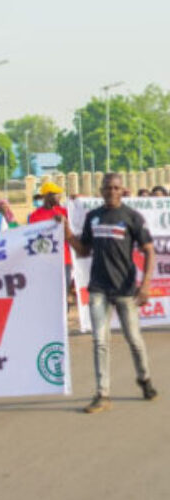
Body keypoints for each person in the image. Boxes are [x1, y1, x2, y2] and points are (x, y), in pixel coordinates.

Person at [64, 173, 158, 413]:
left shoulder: (132, 217)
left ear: (123, 190)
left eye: (116, 188)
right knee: (100, 341)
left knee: (134, 340)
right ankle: (102, 393)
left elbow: (148, 250)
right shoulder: (93, 217)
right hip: (98, 289)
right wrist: (67, 233)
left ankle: (144, 379)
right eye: (108, 188)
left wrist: (145, 284)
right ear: (101, 190)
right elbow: (84, 251)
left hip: (125, 290)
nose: (112, 192)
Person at [28, 182, 73, 294]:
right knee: (48, 292)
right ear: (47, 196)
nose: (59, 196)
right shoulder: (35, 216)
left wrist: (65, 222)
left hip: (65, 259)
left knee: (64, 292)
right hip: (46, 260)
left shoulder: (65, 212)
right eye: (56, 194)